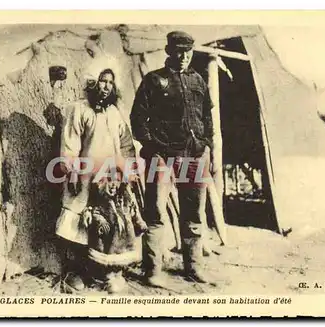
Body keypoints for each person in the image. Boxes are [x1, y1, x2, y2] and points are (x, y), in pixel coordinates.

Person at [130, 31, 216, 287]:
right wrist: (154, 147)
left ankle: (193, 267)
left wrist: (206, 144)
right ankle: (153, 271)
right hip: (163, 158)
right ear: (169, 51)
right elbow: (137, 120)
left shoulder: (198, 80)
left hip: (193, 155)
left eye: (188, 52)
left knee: (194, 214)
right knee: (155, 214)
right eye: (179, 51)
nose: (183, 56)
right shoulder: (154, 80)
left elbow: (207, 118)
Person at [54, 56, 139, 292]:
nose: (106, 86)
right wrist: (70, 172)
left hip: (108, 181)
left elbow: (125, 145)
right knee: (80, 225)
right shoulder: (77, 109)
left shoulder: (114, 113)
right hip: (83, 178)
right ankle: (74, 272)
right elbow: (69, 144)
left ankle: (106, 274)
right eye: (102, 81)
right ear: (93, 82)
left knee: (109, 225)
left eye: (110, 83)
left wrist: (128, 171)